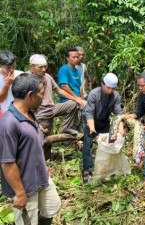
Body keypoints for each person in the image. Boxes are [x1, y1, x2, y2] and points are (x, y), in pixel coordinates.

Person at [0, 73, 61, 225]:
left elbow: (33, 147)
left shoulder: (31, 115)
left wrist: (43, 166)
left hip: (41, 177)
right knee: (27, 222)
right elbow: (7, 163)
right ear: (30, 95)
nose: (43, 97)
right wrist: (20, 193)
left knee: (53, 207)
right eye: (41, 93)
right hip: (25, 186)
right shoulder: (9, 124)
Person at [82, 73, 124, 183]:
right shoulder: (94, 94)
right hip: (90, 121)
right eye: (108, 88)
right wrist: (91, 128)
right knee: (88, 145)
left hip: (104, 121)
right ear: (102, 84)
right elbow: (89, 112)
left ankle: (108, 170)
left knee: (110, 143)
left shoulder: (116, 96)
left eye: (113, 88)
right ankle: (87, 171)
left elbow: (118, 114)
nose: (110, 91)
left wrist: (120, 128)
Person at [29, 54, 85, 135]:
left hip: (51, 108)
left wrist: (76, 99)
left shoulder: (48, 77)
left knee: (72, 104)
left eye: (45, 66)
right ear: (32, 67)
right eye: (40, 67)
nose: (44, 69)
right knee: (45, 138)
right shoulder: (28, 80)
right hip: (40, 112)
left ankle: (65, 129)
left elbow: (59, 90)